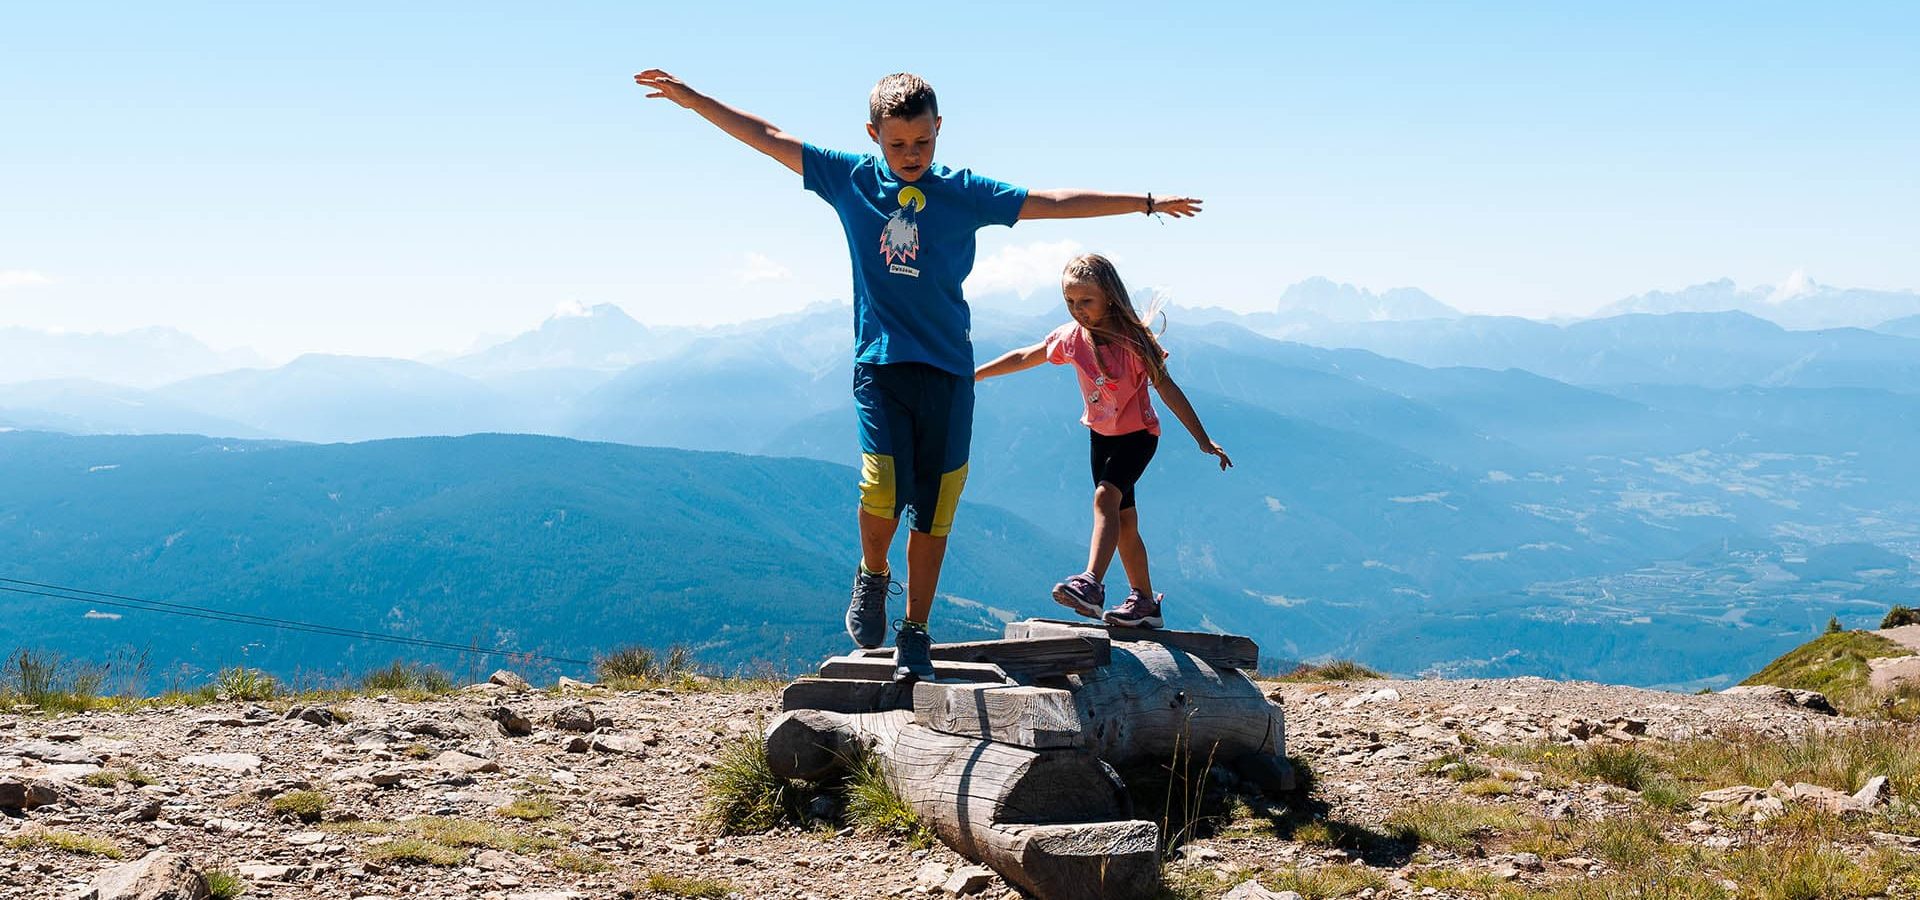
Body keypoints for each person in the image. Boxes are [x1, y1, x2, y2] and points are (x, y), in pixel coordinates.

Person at [633, 69, 1201, 679]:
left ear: (939, 131)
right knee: (881, 489)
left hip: (950, 376)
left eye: (923, 143)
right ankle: (873, 576)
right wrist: (691, 99)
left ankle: (916, 632)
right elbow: (767, 135)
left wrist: (1143, 204)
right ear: (873, 134)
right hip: (881, 367)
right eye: (898, 144)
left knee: (936, 508)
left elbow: (1052, 202)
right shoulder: (849, 178)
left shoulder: (963, 192)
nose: (911, 156)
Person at [974, 253, 1231, 629]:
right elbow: (1025, 356)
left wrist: (1202, 439)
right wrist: (976, 375)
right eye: (1070, 302)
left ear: (1109, 296)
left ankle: (1091, 584)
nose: (1078, 310)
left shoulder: (1133, 342)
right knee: (1124, 521)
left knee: (1104, 498)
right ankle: (1145, 602)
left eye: (1086, 301)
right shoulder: (1072, 337)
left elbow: (1167, 389)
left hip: (1138, 436)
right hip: (1101, 438)